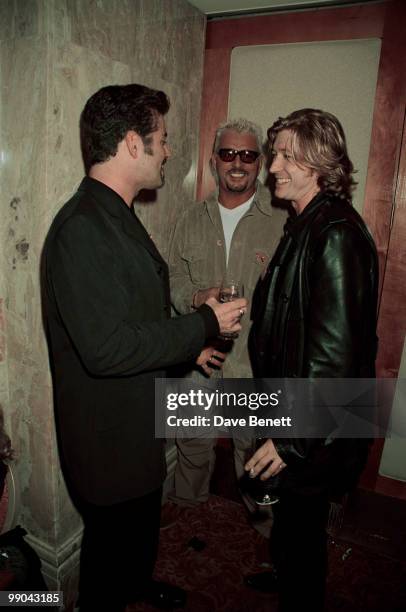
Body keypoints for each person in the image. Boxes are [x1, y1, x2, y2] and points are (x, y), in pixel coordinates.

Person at [41, 83, 246, 612]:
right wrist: (203, 323)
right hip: (107, 445)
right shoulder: (81, 228)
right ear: (134, 143)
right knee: (108, 558)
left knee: (136, 537)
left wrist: (188, 351)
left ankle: (137, 585)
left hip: (134, 427)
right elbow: (105, 348)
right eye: (164, 139)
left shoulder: (115, 212)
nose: (171, 150)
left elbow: (134, 317)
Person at [244, 108, 378, 611]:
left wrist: (292, 436)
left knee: (303, 532)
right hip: (291, 409)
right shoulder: (306, 221)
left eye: (284, 155)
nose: (271, 165)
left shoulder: (337, 232)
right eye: (275, 153)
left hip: (312, 427)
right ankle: (286, 574)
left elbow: (335, 356)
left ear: (318, 163)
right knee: (291, 524)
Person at [165, 118, 286, 527]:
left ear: (260, 163)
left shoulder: (282, 223)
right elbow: (174, 279)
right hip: (199, 356)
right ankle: (187, 514)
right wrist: (197, 299)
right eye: (229, 153)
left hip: (252, 365)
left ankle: (264, 528)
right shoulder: (188, 219)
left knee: (252, 451)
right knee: (192, 442)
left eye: (248, 155)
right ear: (214, 161)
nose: (238, 163)